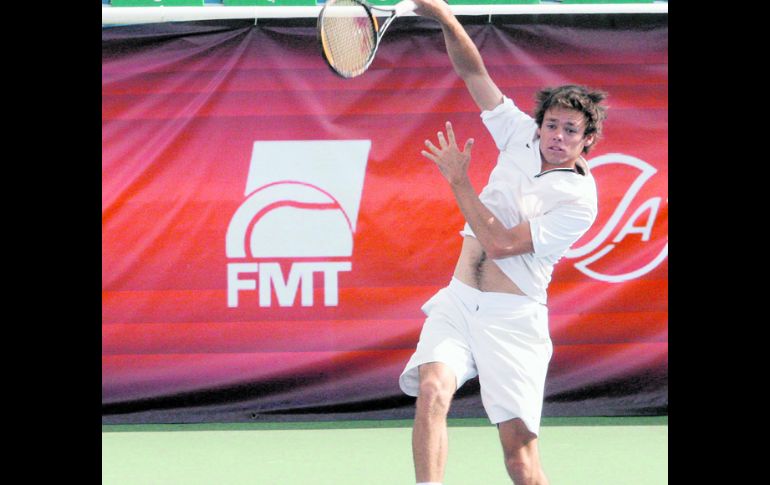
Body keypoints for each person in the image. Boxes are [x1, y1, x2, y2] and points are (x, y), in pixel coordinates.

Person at [397, 1, 609, 484]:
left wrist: (459, 181)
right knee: (432, 390)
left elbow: (500, 244)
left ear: (587, 139)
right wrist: (446, 18)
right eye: (551, 124)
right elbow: (475, 74)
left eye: (570, 130)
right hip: (458, 300)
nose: (557, 135)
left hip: (513, 323)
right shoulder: (520, 136)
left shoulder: (578, 199)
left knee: (520, 461)